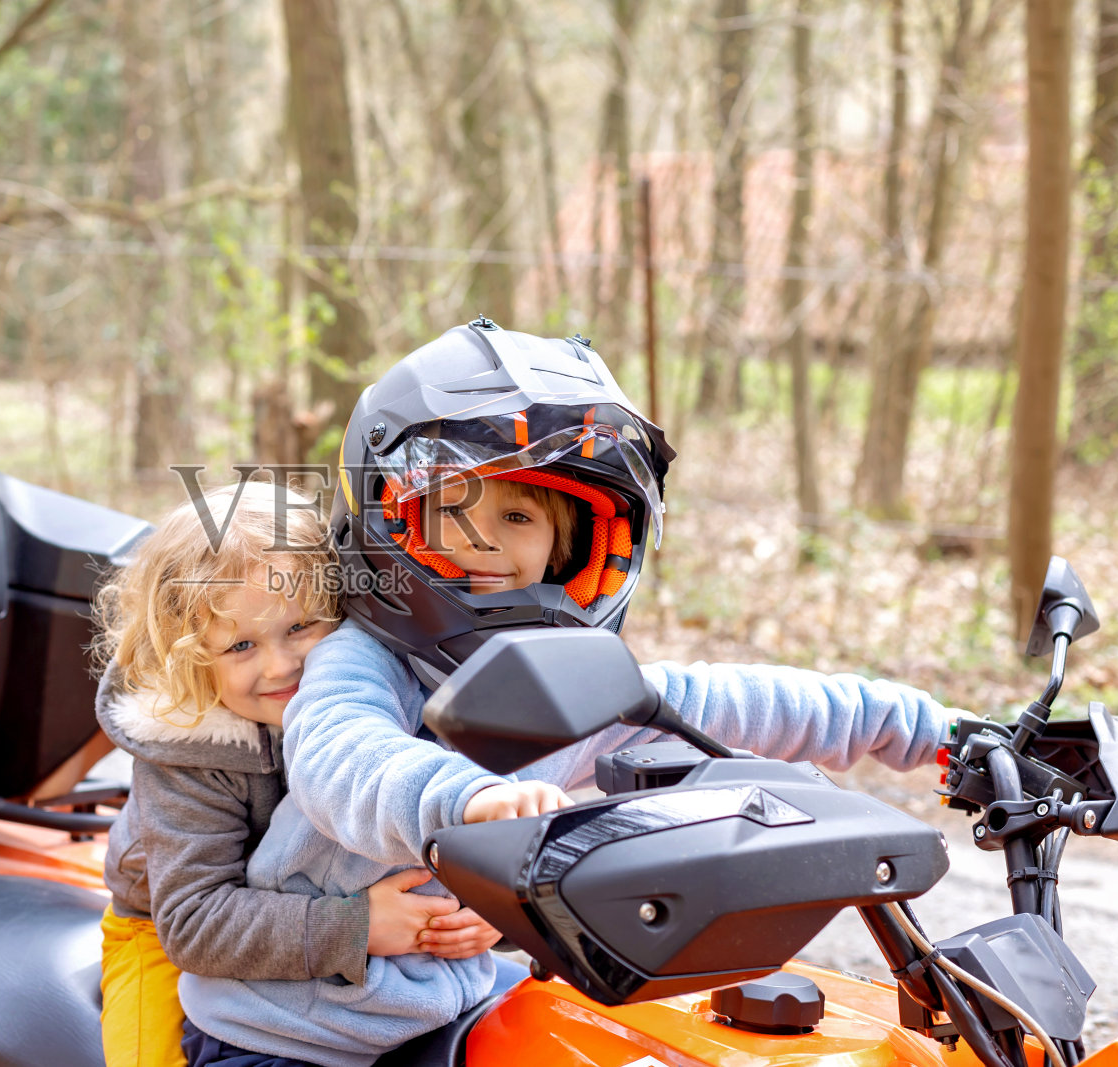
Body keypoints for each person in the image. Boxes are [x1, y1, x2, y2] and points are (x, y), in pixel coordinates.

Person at [176, 321, 970, 1067]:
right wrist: (464, 802)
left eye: (518, 513)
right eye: (454, 508)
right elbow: (342, 757)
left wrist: (941, 732)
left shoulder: (572, 678)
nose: (483, 539)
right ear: (396, 518)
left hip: (449, 1008)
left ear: (574, 544)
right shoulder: (364, 657)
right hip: (285, 1032)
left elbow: (738, 701)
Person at [94, 481, 502, 1067]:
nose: (281, 665)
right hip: (166, 925)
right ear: (188, 656)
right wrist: (354, 929)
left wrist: (487, 915)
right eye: (240, 645)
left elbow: (418, 811)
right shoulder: (183, 751)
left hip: (314, 905)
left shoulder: (361, 703)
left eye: (300, 627)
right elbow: (194, 922)